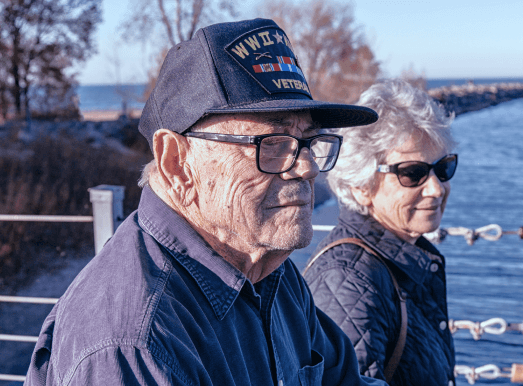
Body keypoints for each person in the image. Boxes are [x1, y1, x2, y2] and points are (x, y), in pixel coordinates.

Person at [24, 19, 387, 386]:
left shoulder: (271, 273)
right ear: (176, 163)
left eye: (309, 141)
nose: (307, 167)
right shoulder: (135, 344)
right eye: (273, 143)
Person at [303, 79, 458, 386]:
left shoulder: (402, 260)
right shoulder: (348, 281)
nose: (436, 188)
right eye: (412, 173)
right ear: (361, 187)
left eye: (443, 168)